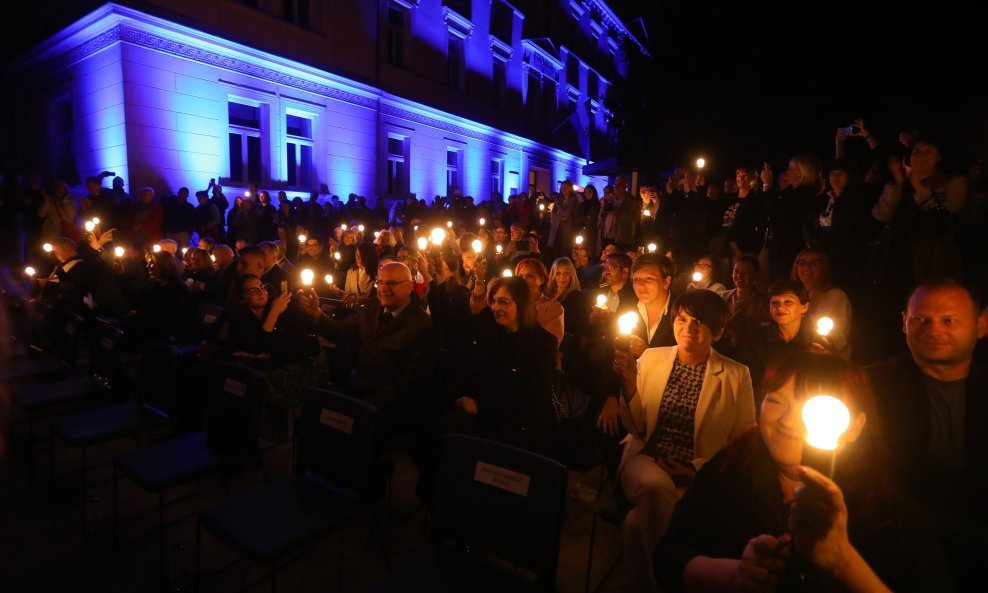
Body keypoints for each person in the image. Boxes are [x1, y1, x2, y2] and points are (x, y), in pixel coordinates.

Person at [655, 351, 953, 593]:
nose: (787, 420)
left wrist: (843, 563)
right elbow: (668, 555)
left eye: (811, 407)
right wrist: (732, 574)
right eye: (775, 400)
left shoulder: (891, 514)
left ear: (853, 426)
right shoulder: (729, 471)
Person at [612, 289, 755, 592]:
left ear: (717, 331)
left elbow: (744, 439)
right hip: (647, 458)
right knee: (655, 486)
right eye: (682, 319)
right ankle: (672, 581)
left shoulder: (736, 375)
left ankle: (646, 584)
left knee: (636, 524)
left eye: (699, 323)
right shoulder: (652, 358)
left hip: (699, 474)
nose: (688, 329)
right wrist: (628, 385)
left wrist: (697, 470)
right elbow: (636, 427)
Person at [867, 279, 988, 588]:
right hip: (901, 533)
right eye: (921, 319)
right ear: (904, 323)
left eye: (949, 321)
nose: (933, 330)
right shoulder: (868, 385)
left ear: (981, 325)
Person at [297, 262, 438, 432]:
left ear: (410, 287)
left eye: (392, 283)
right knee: (314, 419)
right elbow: (340, 331)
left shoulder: (421, 324)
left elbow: (411, 382)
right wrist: (317, 315)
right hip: (357, 388)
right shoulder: (373, 306)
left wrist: (364, 406)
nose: (384, 288)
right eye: (380, 282)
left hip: (389, 404)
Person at [432, 275, 558, 454]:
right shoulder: (490, 322)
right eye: (493, 301)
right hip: (484, 409)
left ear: (521, 304)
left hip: (515, 422)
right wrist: (435, 282)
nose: (496, 308)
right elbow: (451, 323)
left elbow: (533, 398)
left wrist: (481, 407)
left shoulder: (543, 343)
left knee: (450, 430)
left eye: (504, 302)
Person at [739, 279, 817, 394]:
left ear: (804, 307)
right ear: (770, 308)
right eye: (775, 303)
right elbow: (746, 379)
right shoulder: (757, 340)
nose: (780, 307)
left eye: (788, 302)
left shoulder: (816, 341)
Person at [791, 248, 852, 354]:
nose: (807, 268)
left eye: (814, 264)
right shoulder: (789, 296)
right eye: (802, 263)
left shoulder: (835, 296)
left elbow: (838, 339)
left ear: (824, 268)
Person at [513, 257, 564, 347]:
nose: (523, 280)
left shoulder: (552, 307)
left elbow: (550, 344)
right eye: (520, 276)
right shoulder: (511, 303)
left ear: (542, 280)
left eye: (530, 276)